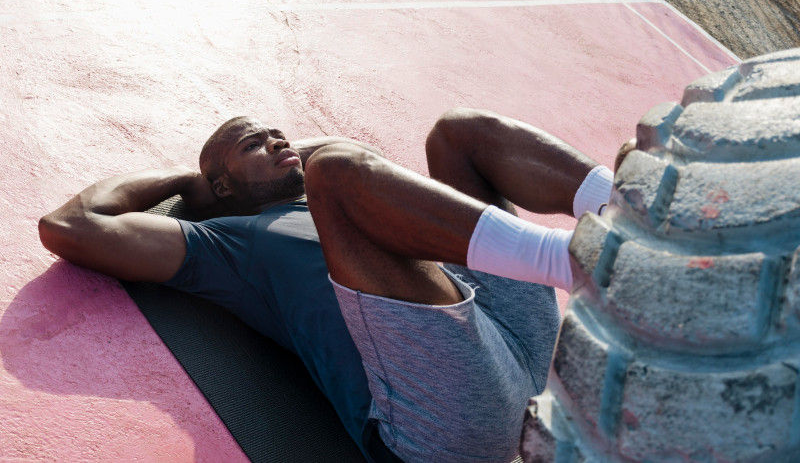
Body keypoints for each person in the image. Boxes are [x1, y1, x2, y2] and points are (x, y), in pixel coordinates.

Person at [39, 108, 615, 463]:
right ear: (220, 184)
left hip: (513, 346)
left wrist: (269, 161)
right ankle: (587, 262)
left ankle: (628, 212)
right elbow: (69, 227)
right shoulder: (228, 243)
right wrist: (190, 183)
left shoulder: (331, 192)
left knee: (456, 133)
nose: (280, 142)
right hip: (444, 421)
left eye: (279, 134)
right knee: (338, 171)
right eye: (254, 145)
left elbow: (337, 155)